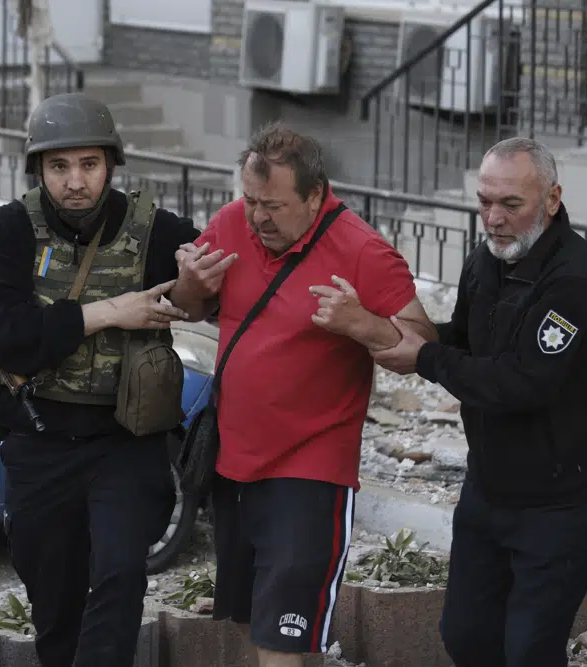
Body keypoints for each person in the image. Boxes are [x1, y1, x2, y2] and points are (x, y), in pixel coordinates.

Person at [169, 121, 436, 667]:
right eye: (251, 201)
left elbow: (424, 348)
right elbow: (189, 306)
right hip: (234, 460)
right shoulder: (231, 223)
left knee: (284, 635)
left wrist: (363, 324)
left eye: (273, 205)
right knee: (253, 619)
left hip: (311, 469)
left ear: (315, 196)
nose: (257, 218)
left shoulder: (363, 250)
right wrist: (189, 287)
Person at [369, 137, 587, 667]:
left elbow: (524, 382)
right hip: (490, 492)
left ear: (551, 199)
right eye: (484, 202)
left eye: (511, 204)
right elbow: (465, 340)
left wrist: (426, 358)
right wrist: (399, 335)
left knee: (529, 650)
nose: (493, 219)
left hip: (563, 502)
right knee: (466, 637)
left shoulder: (577, 278)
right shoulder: (486, 260)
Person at [0, 92, 202, 667]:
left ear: (110, 165)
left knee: (120, 574)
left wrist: (198, 282)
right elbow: (9, 337)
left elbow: (210, 286)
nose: (75, 182)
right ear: (39, 169)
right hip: (41, 440)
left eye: (89, 164)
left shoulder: (155, 231)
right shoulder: (12, 229)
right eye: (59, 166)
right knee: (55, 601)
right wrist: (111, 312)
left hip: (125, 443)